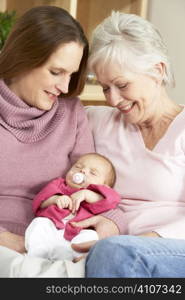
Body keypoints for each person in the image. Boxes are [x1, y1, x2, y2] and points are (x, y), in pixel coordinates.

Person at [71, 11, 185, 278]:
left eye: (122, 85)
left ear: (158, 71)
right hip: (114, 252)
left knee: (114, 253)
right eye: (104, 87)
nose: (113, 99)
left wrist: (137, 242)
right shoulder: (95, 121)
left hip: (172, 250)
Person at [0, 5, 95, 277]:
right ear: (23, 57)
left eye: (72, 74)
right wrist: (5, 239)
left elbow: (96, 181)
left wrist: (108, 225)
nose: (65, 87)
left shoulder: (71, 112)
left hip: (54, 243)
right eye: (56, 72)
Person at [25, 152, 120, 261]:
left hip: (78, 231)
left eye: (93, 173)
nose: (82, 171)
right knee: (39, 223)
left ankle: (67, 256)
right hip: (52, 225)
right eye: (78, 166)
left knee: (92, 236)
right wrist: (56, 199)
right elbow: (39, 201)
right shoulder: (58, 184)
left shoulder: (98, 195)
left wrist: (88, 194)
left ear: (104, 186)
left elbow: (113, 201)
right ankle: (36, 257)